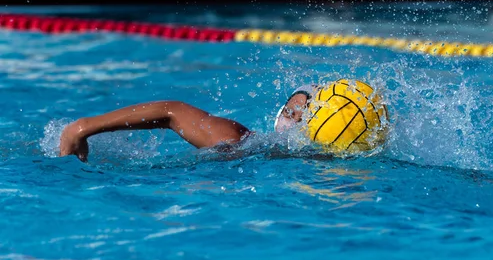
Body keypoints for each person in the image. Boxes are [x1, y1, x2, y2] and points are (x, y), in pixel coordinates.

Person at [59, 85, 316, 162]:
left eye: (303, 117)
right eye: (291, 113)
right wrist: (83, 127)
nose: (294, 121)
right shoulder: (243, 140)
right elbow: (170, 112)